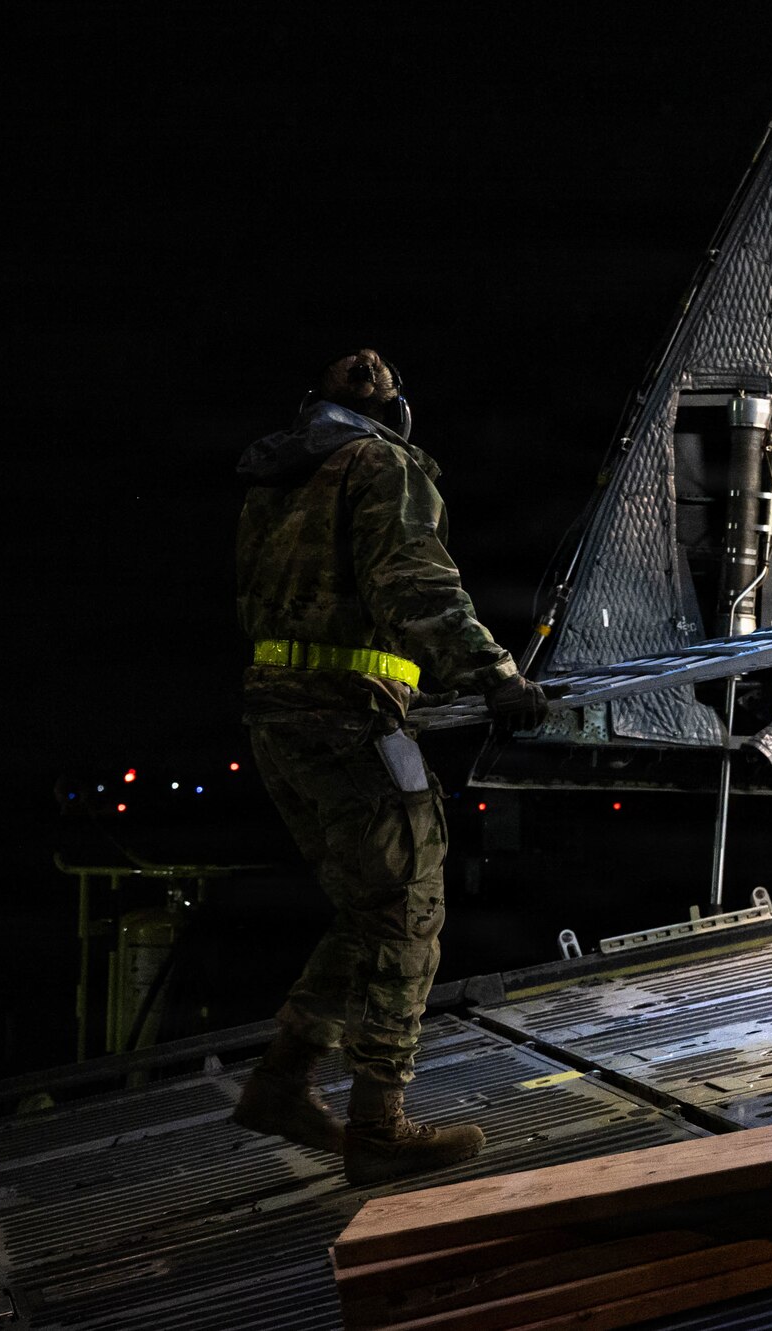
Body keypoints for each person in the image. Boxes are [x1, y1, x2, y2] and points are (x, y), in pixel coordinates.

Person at [230, 349, 550, 1184]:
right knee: (411, 900)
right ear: (396, 414)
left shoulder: (276, 481)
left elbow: (319, 601)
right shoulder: (383, 464)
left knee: (367, 903)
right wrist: (497, 676)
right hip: (348, 720)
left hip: (281, 717)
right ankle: (379, 1125)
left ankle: (281, 1082)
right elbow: (412, 582)